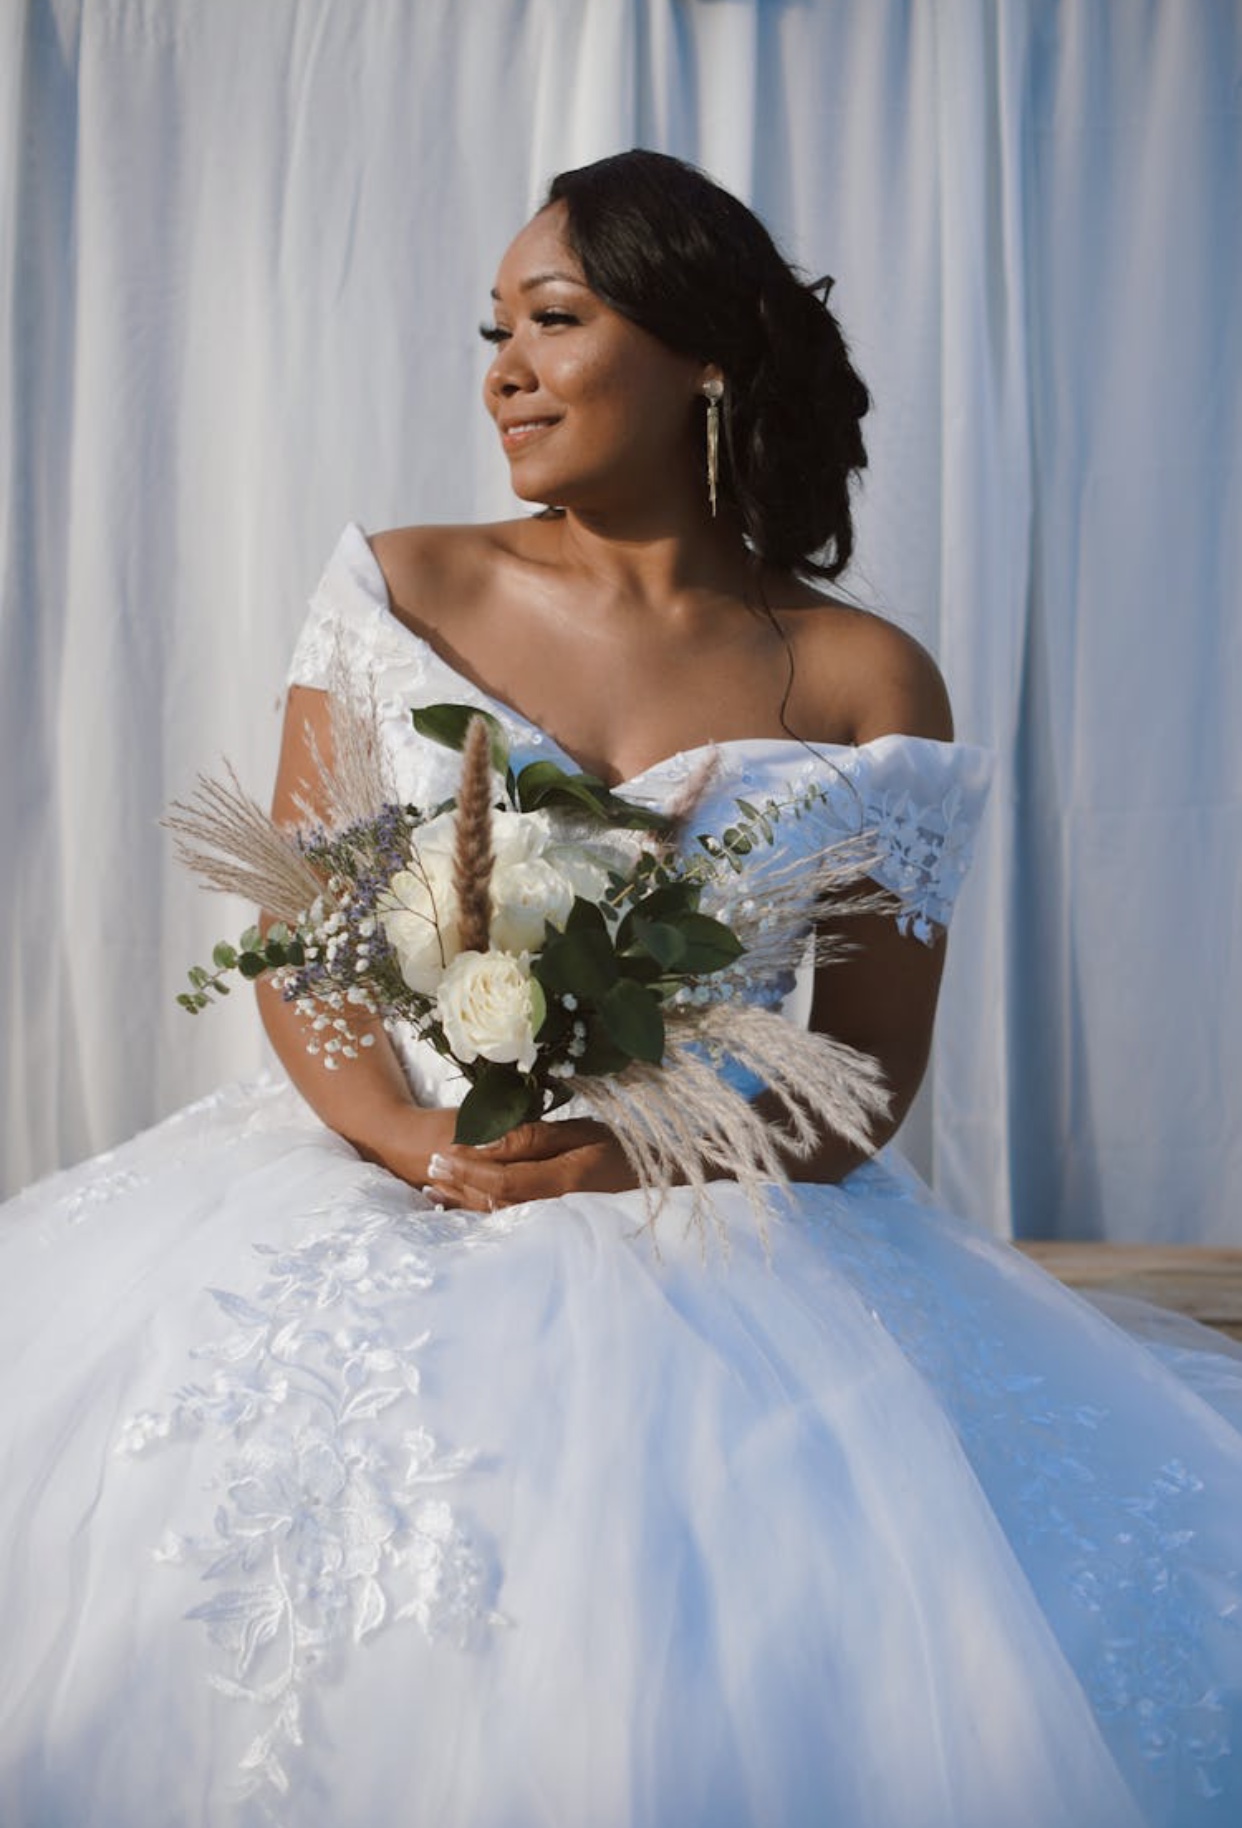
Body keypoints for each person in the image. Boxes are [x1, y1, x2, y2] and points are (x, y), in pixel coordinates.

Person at [0, 150, 1239, 1828]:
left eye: (556, 319)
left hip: (713, 1221)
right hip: (387, 1171)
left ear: (704, 356)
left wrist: (640, 1151)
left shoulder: (867, 678)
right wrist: (409, 1138)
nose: (503, 364)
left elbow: (858, 1078)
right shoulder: (404, 587)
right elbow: (309, 941)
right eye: (494, 326)